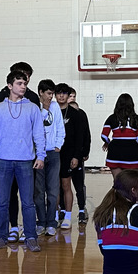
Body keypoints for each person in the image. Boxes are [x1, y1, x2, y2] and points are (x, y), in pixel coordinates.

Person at [0, 69, 46, 252]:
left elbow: (39, 134)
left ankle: (31, 237)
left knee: (28, 202)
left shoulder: (33, 108)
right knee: (2, 202)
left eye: (25, 84)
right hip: (4, 161)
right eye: (19, 83)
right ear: (10, 86)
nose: (23, 87)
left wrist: (41, 155)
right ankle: (0, 236)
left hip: (26, 162)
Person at [55, 83, 90, 230]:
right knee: (54, 188)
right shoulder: (51, 112)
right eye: (59, 93)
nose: (61, 96)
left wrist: (77, 155)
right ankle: (55, 216)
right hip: (53, 155)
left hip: (69, 156)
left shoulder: (76, 114)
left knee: (67, 185)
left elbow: (81, 137)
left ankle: (68, 216)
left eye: (65, 93)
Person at [34, 79, 65, 236]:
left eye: (52, 93)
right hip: (38, 154)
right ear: (41, 92)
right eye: (48, 93)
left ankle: (51, 222)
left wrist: (58, 145)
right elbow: (36, 126)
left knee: (53, 190)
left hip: (53, 153)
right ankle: (41, 222)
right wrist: (44, 109)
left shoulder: (55, 107)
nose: (51, 97)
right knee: (39, 191)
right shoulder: (34, 106)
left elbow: (60, 127)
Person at [101, 93, 138, 175]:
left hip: (115, 151)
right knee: (132, 182)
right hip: (132, 152)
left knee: (118, 183)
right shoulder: (137, 119)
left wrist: (108, 143)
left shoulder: (112, 118)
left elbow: (103, 135)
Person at [67, 88, 91, 224]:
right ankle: (62, 210)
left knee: (79, 184)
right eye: (70, 95)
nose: (72, 98)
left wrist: (85, 152)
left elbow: (86, 134)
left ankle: (82, 209)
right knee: (63, 185)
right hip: (64, 156)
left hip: (77, 155)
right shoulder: (59, 113)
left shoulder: (81, 114)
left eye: (74, 96)